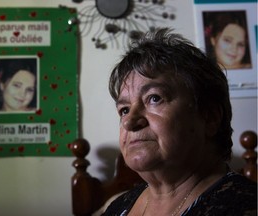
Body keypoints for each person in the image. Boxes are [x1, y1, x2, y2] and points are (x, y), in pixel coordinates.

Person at [103, 28, 257, 215]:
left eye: (154, 98)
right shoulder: (118, 206)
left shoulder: (245, 206)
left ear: (210, 118)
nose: (129, 122)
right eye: (124, 110)